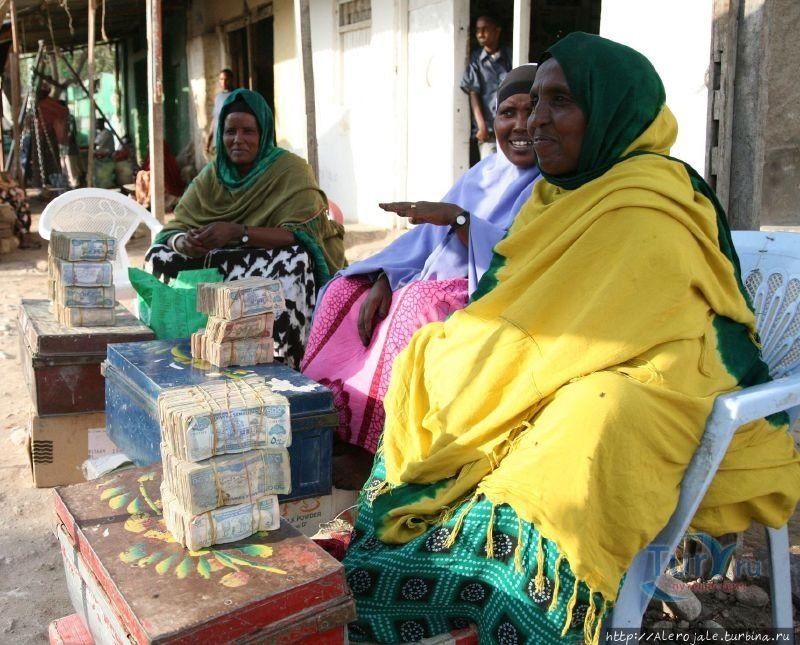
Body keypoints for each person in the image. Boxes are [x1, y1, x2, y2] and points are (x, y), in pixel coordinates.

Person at [342, 33, 800, 644]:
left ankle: (519, 596)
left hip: (669, 371)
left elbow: (599, 329)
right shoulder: (558, 194)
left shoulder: (649, 199)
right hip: (588, 360)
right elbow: (518, 306)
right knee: (429, 355)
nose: (535, 120)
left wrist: (497, 365)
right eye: (533, 102)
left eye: (560, 102)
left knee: (587, 419)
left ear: (611, 109)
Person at [301, 64, 540, 486]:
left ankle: (376, 450)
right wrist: (385, 278)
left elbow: (518, 258)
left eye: (531, 110)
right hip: (436, 277)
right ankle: (329, 424)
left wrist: (462, 221)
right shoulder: (483, 173)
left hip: (489, 290)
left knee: (416, 305)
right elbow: (424, 243)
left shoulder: (550, 183)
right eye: (507, 113)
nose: (519, 125)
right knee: (343, 288)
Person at [145, 88, 346, 368]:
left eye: (248, 131)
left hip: (270, 258)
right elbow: (172, 229)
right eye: (230, 131)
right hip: (227, 261)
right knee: (158, 256)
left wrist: (238, 231)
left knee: (295, 259)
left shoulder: (290, 170)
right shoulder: (212, 176)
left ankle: (285, 358)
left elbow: (301, 234)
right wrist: (184, 242)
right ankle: (183, 348)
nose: (238, 140)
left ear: (263, 134)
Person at [460, 14, 512, 160]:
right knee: (490, 171)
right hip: (488, 130)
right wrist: (481, 124)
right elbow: (473, 93)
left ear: (497, 31)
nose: (480, 34)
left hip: (509, 128)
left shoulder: (509, 56)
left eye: (485, 29)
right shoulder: (476, 60)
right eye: (477, 30)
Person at [205, 69, 235, 156]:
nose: (224, 82)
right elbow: (215, 119)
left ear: (232, 80)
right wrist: (209, 139)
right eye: (221, 79)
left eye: (226, 79)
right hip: (217, 143)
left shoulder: (236, 96)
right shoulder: (218, 97)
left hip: (229, 142)